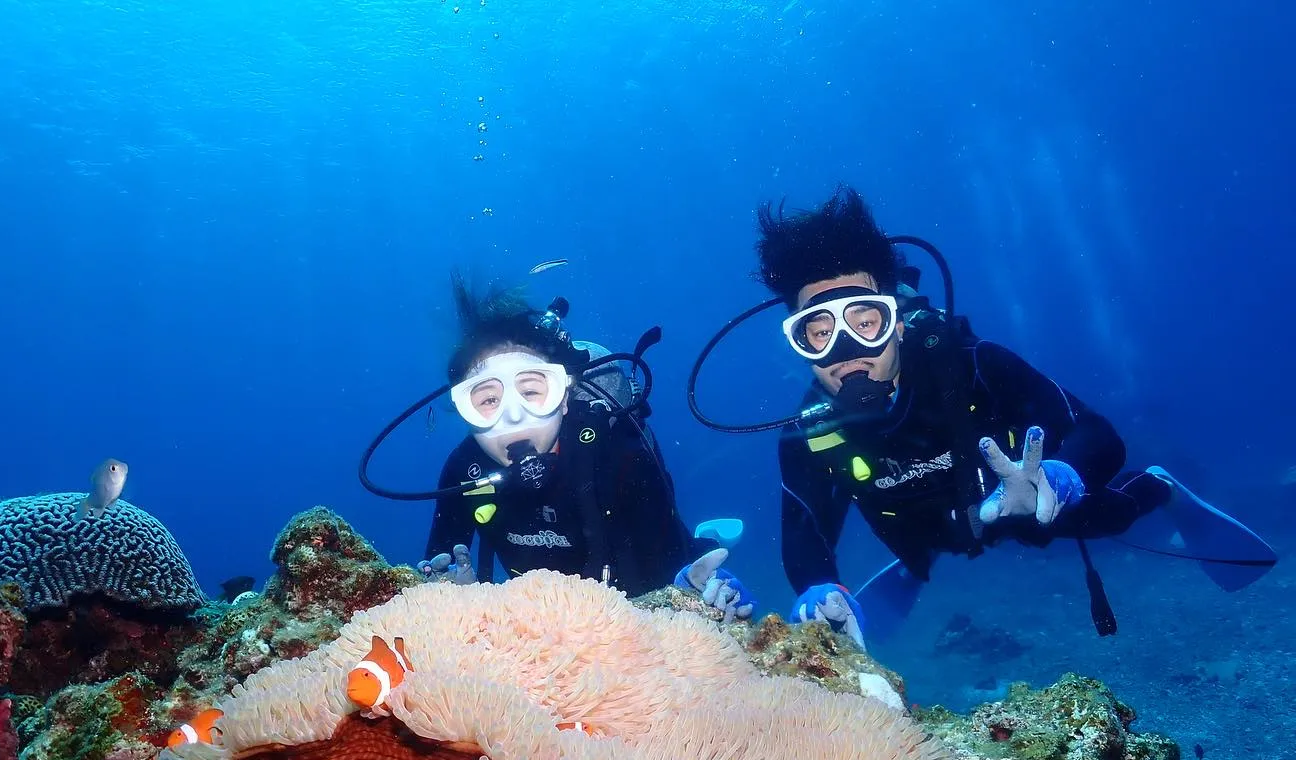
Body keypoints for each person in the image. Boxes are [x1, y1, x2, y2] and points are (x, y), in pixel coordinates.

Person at [749, 187, 1276, 640]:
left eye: (866, 322)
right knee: (928, 543)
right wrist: (820, 589)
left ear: (899, 321)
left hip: (1026, 504)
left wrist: (1060, 476)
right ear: (799, 343)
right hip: (933, 529)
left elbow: (1098, 434)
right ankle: (923, 557)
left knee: (1101, 519)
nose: (846, 351)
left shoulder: (975, 364)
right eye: (818, 332)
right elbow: (806, 535)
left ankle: (1159, 488)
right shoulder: (810, 433)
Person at [418, 276, 757, 619]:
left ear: (564, 398)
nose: (514, 416)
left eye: (532, 392)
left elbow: (668, 562)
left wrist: (694, 588)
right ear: (466, 411)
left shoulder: (616, 454)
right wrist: (452, 599)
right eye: (489, 399)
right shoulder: (464, 472)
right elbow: (440, 563)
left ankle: (708, 537)